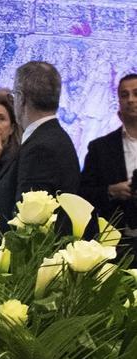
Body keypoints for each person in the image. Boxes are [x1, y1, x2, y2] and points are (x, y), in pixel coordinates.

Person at [0, 61, 80, 227]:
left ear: (21, 98)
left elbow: (28, 223)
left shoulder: (40, 148)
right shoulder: (51, 137)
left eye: (13, 96)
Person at [80, 73, 137, 259]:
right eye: (124, 95)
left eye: (136, 93)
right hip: (117, 247)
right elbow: (83, 193)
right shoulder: (100, 148)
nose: (130, 100)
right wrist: (111, 191)